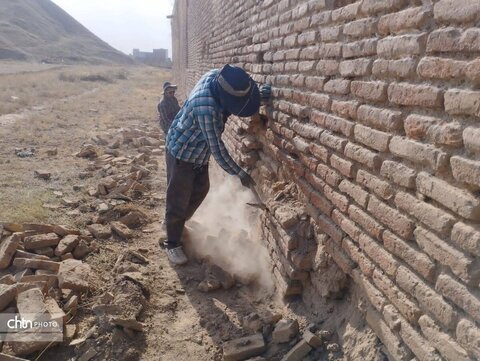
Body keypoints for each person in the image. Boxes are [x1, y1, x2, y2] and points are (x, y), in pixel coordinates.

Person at [163, 64, 271, 265]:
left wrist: (258, 98)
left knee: (201, 190)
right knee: (178, 198)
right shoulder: (206, 108)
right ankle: (172, 242)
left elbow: (240, 89)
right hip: (182, 153)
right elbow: (218, 150)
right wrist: (240, 174)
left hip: (198, 153)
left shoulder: (218, 76)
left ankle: (174, 223)